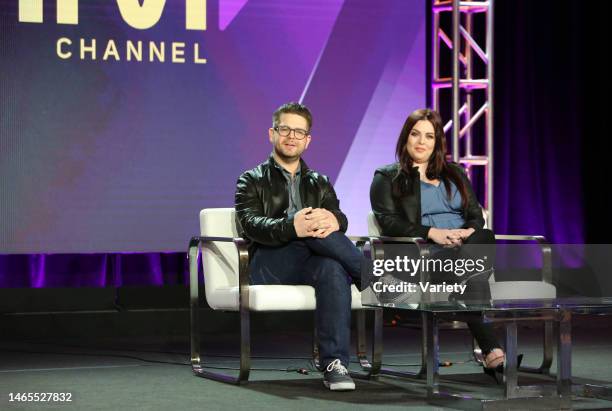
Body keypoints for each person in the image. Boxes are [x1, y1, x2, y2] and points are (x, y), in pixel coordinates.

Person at [235, 102, 365, 391]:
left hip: (310, 262)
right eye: (285, 129)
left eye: (299, 131)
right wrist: (293, 225)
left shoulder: (320, 182)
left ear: (308, 140)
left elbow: (339, 219)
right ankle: (373, 279)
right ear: (272, 133)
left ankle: (334, 364)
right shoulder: (250, 179)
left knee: (332, 267)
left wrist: (334, 218)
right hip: (268, 263)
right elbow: (250, 225)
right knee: (308, 226)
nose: (291, 136)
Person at [369, 108, 505, 375]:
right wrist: (432, 233)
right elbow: (388, 221)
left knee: (484, 238)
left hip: (465, 249)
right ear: (405, 139)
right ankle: (491, 350)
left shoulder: (454, 173)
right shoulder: (387, 177)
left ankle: (491, 349)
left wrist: (466, 232)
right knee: (471, 272)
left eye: (429, 136)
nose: (422, 142)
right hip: (423, 255)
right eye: (415, 134)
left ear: (437, 142)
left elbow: (477, 217)